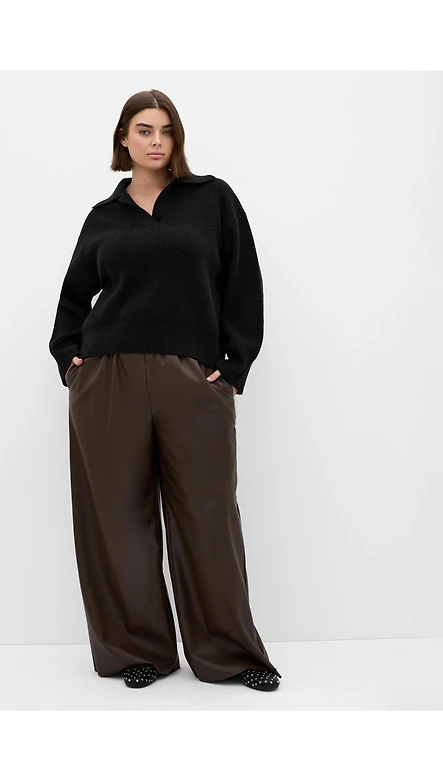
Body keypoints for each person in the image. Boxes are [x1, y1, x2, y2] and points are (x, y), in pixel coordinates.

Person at [49, 89, 282, 692]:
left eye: (166, 130)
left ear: (177, 138)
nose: (156, 141)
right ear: (123, 139)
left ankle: (230, 654)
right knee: (116, 518)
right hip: (109, 377)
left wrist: (234, 365)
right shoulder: (104, 216)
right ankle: (137, 651)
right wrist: (71, 360)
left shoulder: (211, 199)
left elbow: (243, 285)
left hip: (192, 377)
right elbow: (73, 298)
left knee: (208, 513)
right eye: (144, 130)